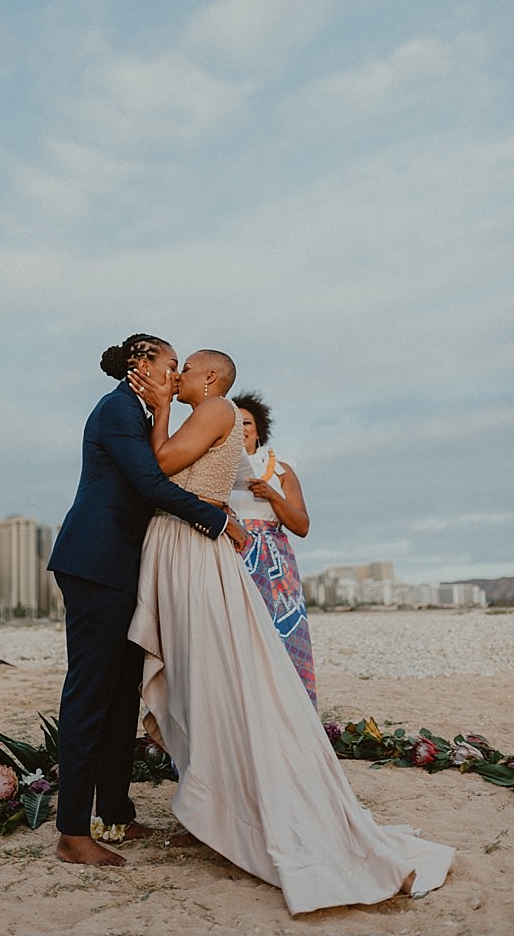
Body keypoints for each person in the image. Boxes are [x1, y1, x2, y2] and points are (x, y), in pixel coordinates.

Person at [127, 351, 454, 916]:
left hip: (200, 555)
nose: (175, 377)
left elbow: (158, 465)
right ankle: (215, 806)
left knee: (222, 682)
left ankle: (236, 809)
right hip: (192, 550)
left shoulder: (214, 409)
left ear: (210, 379)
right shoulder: (206, 416)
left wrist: (158, 408)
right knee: (212, 684)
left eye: (186, 368)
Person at [47, 333, 248, 868]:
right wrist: (219, 520)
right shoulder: (117, 410)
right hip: (96, 564)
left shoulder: (140, 412)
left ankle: (115, 812)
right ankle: (72, 833)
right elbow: (151, 483)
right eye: (171, 364)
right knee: (89, 695)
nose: (176, 375)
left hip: (126, 569)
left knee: (120, 697)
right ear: (143, 366)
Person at [229, 391, 317, 708]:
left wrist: (272, 496)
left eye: (247, 422)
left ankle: (289, 712)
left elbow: (302, 526)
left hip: (273, 559)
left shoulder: (281, 470)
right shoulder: (212, 466)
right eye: (233, 422)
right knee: (236, 639)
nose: (241, 428)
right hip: (229, 556)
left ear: (259, 428)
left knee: (282, 636)